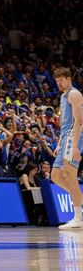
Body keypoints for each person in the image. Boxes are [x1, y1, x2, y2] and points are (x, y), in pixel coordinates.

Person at [51, 66, 83, 230]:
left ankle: (78, 218)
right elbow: (65, 123)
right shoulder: (63, 96)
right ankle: (79, 198)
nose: (59, 84)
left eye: (61, 80)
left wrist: (75, 145)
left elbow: (79, 121)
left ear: (69, 79)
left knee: (71, 176)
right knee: (56, 175)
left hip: (73, 137)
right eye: (57, 81)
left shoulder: (74, 94)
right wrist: (59, 143)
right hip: (65, 138)